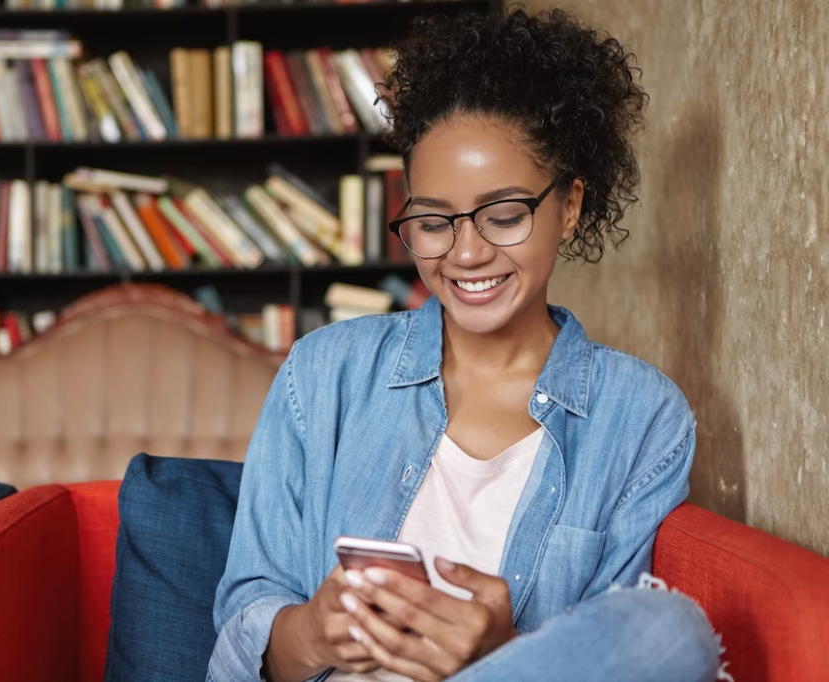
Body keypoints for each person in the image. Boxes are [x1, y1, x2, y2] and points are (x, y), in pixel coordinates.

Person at [209, 7, 721, 682]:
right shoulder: (324, 373)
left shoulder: (642, 417)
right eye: (432, 222)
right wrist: (314, 632)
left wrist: (504, 650)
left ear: (569, 205)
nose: (467, 252)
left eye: (504, 215)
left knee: (669, 632)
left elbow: (605, 658)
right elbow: (238, 630)